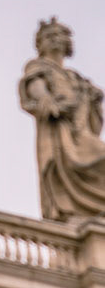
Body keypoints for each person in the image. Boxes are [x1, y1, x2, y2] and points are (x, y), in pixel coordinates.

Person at [19, 18, 105, 221]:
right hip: (62, 131)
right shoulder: (37, 66)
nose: (55, 39)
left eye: (59, 35)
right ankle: (80, 212)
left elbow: (94, 107)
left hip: (80, 129)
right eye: (49, 36)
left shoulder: (74, 76)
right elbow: (35, 86)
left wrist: (92, 98)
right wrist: (46, 100)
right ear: (40, 44)